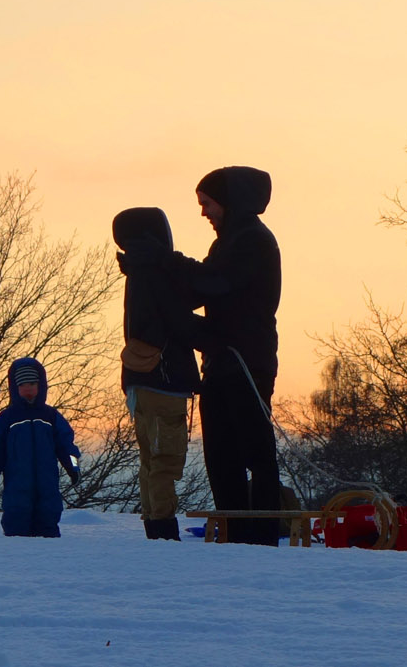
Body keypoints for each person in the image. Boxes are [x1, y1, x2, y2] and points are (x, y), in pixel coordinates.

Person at [127, 166, 282, 545]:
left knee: (254, 450)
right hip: (219, 362)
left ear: (229, 202)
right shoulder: (226, 243)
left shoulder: (253, 241)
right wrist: (150, 275)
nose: (204, 212)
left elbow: (213, 283)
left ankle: (261, 533)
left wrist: (165, 260)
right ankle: (235, 530)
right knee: (220, 454)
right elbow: (196, 292)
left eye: (207, 203)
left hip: (247, 363)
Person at [113, 206, 202, 541]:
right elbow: (179, 322)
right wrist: (220, 336)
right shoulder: (155, 272)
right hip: (165, 380)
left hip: (140, 381)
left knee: (150, 459)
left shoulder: (136, 272)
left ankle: (155, 522)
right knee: (165, 460)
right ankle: (163, 530)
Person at [0, 356, 81, 538]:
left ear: (40, 386)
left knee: (49, 512)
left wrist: (72, 467)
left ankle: (49, 553)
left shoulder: (50, 416)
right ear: (15, 388)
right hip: (17, 480)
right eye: (22, 385)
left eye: (32, 384)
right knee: (16, 513)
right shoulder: (7, 418)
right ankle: (16, 554)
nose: (27, 389)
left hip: (47, 481)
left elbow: (65, 444)